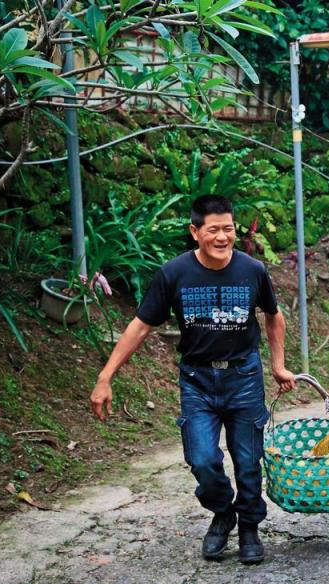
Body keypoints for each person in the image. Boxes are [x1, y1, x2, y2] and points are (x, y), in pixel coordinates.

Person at [89, 194, 296, 564]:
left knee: (249, 460)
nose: (222, 237)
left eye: (228, 229)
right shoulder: (174, 273)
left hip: (244, 377)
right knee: (201, 458)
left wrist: (278, 365)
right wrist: (106, 376)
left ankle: (249, 527)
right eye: (213, 230)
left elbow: (273, 316)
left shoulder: (252, 270)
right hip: (197, 380)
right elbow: (141, 326)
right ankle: (223, 512)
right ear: (195, 231)